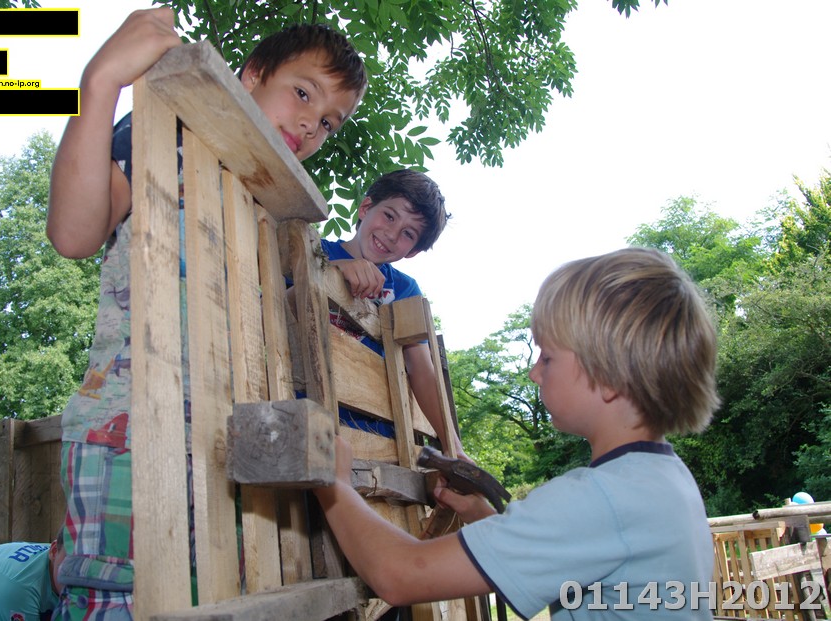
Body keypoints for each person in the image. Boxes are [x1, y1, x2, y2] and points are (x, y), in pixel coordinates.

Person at [46, 7, 366, 618]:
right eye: (303, 93)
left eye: (329, 121)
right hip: (132, 438)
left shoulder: (266, 208)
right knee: (119, 601)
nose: (311, 123)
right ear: (252, 75)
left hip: (229, 454)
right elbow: (73, 233)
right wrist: (101, 81)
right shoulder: (169, 130)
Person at [313, 247, 721, 619]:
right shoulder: (663, 480)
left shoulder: (600, 499)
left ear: (611, 376)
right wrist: (481, 515)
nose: (534, 372)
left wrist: (334, 483)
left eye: (548, 357)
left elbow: (400, 576)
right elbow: (559, 558)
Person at [321, 169, 467, 459]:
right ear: (365, 208)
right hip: (313, 417)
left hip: (380, 440)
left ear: (412, 251)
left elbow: (421, 369)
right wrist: (330, 272)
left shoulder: (403, 289)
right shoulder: (314, 250)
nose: (391, 234)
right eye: (389, 216)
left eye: (408, 234)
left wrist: (454, 447)